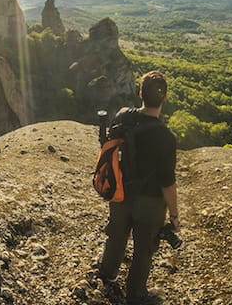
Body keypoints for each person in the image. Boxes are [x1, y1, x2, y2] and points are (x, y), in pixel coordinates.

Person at [98, 71, 180, 305]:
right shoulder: (166, 137)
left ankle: (107, 274)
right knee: (144, 248)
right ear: (164, 98)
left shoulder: (123, 116)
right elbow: (168, 183)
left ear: (140, 93)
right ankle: (136, 294)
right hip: (150, 202)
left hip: (120, 191)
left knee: (116, 234)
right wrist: (174, 216)